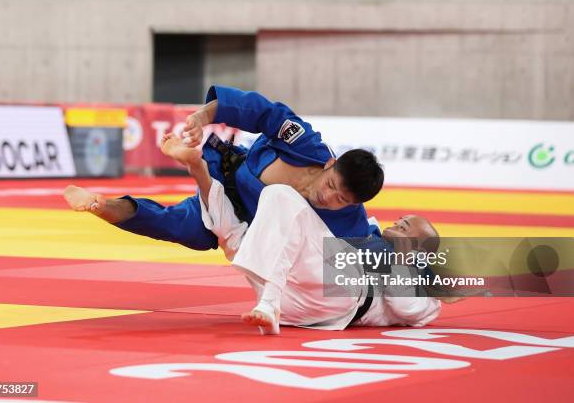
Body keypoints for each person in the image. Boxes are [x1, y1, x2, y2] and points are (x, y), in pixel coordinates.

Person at [157, 135, 442, 335]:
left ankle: (269, 301)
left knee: (280, 195)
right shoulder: (374, 237)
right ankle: (198, 167)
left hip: (342, 296)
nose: (400, 220)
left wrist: (405, 264)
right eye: (403, 219)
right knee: (236, 237)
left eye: (407, 226)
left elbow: (404, 304)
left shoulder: (427, 293)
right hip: (298, 308)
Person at [63, 85, 384, 252]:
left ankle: (107, 204)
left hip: (243, 230)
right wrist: (203, 116)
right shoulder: (303, 142)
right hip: (229, 178)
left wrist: (432, 279)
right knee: (177, 222)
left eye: (342, 199)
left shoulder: (349, 219)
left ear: (354, 204)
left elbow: (373, 258)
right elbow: (260, 111)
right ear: (330, 164)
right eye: (331, 185)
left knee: (185, 230)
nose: (330, 198)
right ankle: (104, 204)